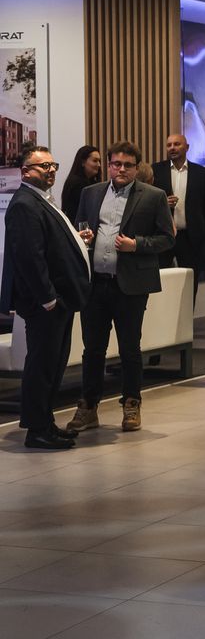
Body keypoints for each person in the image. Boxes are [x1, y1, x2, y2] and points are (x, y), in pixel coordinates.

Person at [67, 141, 175, 434]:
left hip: (130, 285)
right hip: (95, 284)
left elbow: (167, 238)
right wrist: (82, 236)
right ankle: (88, 407)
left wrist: (136, 244)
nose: (121, 169)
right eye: (116, 164)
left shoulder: (153, 196)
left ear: (137, 167)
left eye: (128, 165)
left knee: (129, 349)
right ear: (109, 165)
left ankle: (131, 404)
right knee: (93, 350)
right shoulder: (90, 193)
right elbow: (79, 228)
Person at [0, 146, 92, 449]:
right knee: (42, 366)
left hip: (56, 301)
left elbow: (48, 245)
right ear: (26, 171)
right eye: (43, 167)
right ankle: (37, 429)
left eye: (53, 164)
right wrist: (48, 299)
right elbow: (30, 259)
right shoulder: (25, 204)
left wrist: (76, 241)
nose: (50, 170)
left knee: (53, 364)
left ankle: (46, 423)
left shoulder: (41, 200)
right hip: (46, 304)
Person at [151, 133, 205, 300]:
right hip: (163, 235)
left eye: (176, 144)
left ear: (187, 147)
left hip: (190, 237)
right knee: (160, 279)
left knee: (189, 282)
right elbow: (147, 202)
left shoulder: (201, 173)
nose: (172, 148)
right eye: (169, 145)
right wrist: (162, 203)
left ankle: (186, 322)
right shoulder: (155, 170)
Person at [61, 145, 102, 223]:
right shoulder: (77, 184)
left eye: (99, 161)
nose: (99, 165)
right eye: (95, 161)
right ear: (83, 162)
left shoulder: (92, 183)